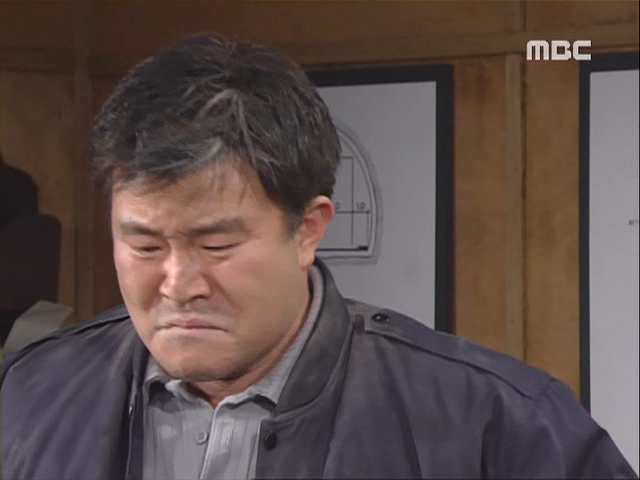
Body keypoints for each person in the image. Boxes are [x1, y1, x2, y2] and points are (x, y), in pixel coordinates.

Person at [1, 33, 636, 480]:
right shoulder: (29, 394)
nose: (178, 284)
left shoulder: (496, 423)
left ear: (308, 229)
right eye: (144, 245)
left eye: (216, 245)